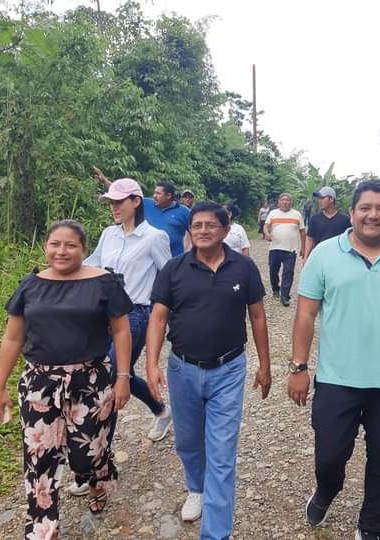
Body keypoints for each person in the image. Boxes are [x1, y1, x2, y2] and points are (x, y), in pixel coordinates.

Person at [289, 180, 380, 540]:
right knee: (329, 456)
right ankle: (327, 489)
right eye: (365, 208)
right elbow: (305, 314)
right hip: (337, 379)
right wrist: (298, 367)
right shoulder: (325, 254)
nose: (373, 215)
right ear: (351, 212)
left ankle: (371, 528)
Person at [0, 220, 133, 540]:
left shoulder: (104, 283)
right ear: (46, 247)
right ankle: (45, 529)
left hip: (90, 381)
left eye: (70, 245)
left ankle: (97, 476)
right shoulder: (30, 285)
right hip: (39, 384)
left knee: (87, 454)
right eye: (55, 244)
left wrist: (123, 377)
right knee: (39, 457)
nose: (61, 251)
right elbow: (12, 338)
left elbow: (121, 330)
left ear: (84, 248)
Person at [145, 202, 272, 540]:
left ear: (225, 230)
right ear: (190, 230)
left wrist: (265, 365)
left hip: (228, 370)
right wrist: (151, 363)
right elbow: (158, 317)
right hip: (182, 369)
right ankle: (196, 488)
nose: (203, 230)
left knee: (221, 452)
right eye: (197, 225)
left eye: (210, 225)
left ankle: (215, 533)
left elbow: (258, 317)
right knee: (188, 441)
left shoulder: (243, 267)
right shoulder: (174, 268)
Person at [84, 178, 172, 444]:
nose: (114, 207)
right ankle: (161, 410)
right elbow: (93, 265)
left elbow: (169, 278)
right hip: (103, 314)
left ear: (136, 201)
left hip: (136, 314)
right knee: (123, 373)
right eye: (110, 202)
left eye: (119, 201)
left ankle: (100, 453)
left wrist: (167, 318)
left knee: (111, 375)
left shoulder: (155, 237)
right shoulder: (108, 234)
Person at [93, 166, 190, 257]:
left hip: (174, 261)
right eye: (154, 193)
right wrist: (105, 181)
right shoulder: (147, 203)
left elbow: (194, 231)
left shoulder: (183, 212)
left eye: (158, 193)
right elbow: (125, 195)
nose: (154, 196)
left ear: (168, 196)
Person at [263, 193, 306, 307]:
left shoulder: (297, 215)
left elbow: (302, 232)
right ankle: (275, 289)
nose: (285, 202)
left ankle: (285, 295)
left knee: (288, 272)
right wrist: (267, 233)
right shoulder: (273, 213)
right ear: (279, 202)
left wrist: (303, 247)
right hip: (275, 248)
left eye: (288, 200)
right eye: (283, 200)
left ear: (291, 202)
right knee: (273, 271)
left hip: (290, 249)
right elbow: (266, 226)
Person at [304, 186, 351, 258]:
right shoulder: (315, 219)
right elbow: (310, 239)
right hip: (319, 257)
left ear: (331, 199)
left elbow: (350, 239)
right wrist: (306, 257)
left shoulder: (345, 220)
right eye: (319, 198)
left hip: (338, 257)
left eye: (322, 198)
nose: (319, 201)